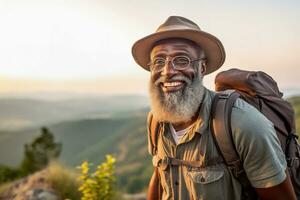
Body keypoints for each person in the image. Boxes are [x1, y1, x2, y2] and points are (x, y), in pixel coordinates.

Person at [131, 16, 296, 200]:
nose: (167, 71)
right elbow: (159, 174)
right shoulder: (156, 121)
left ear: (202, 68)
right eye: (159, 61)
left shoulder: (243, 124)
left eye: (182, 59)